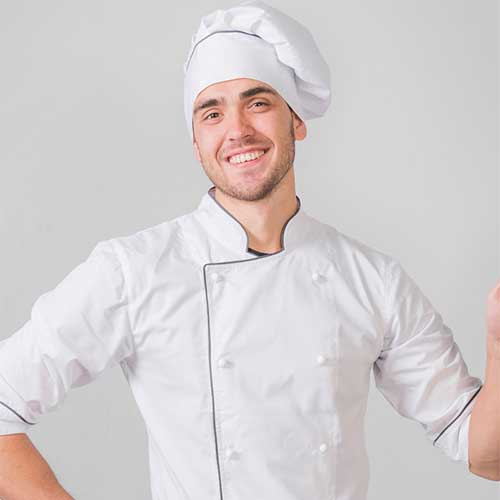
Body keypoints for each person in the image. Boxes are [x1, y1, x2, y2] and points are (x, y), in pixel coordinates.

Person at [0, 1, 498, 499]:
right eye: (212, 113)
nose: (237, 130)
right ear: (196, 142)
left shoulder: (372, 280)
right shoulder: (134, 271)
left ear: (296, 120)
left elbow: (483, 453)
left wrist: (498, 346)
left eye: (258, 103)